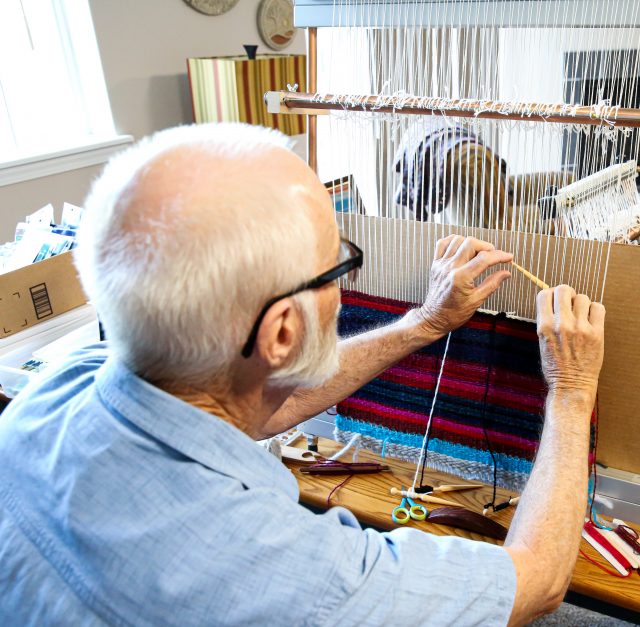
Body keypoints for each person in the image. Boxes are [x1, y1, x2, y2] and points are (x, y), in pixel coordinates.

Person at [0, 123, 605, 626]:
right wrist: (573, 391)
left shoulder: (54, 391)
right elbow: (539, 580)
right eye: (337, 263)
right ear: (283, 333)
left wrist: (424, 322)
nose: (344, 283)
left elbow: (263, 400)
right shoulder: (295, 577)